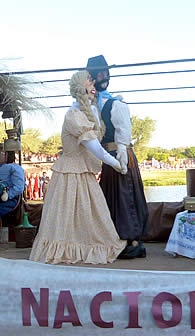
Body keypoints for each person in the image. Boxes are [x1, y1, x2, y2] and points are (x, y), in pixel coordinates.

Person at [30, 71, 127, 265]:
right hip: (71, 172)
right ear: (81, 88)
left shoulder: (85, 113)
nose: (93, 85)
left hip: (81, 170)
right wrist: (116, 163)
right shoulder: (74, 115)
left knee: (87, 211)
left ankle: (81, 248)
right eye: (89, 81)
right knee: (68, 212)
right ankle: (65, 251)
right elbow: (95, 147)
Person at [87, 55, 149, 258]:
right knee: (112, 197)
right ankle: (119, 239)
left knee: (126, 196)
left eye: (105, 73)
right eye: (98, 74)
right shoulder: (96, 103)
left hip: (120, 156)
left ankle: (133, 241)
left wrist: (122, 153)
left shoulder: (115, 103)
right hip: (108, 156)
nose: (103, 77)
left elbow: (124, 132)